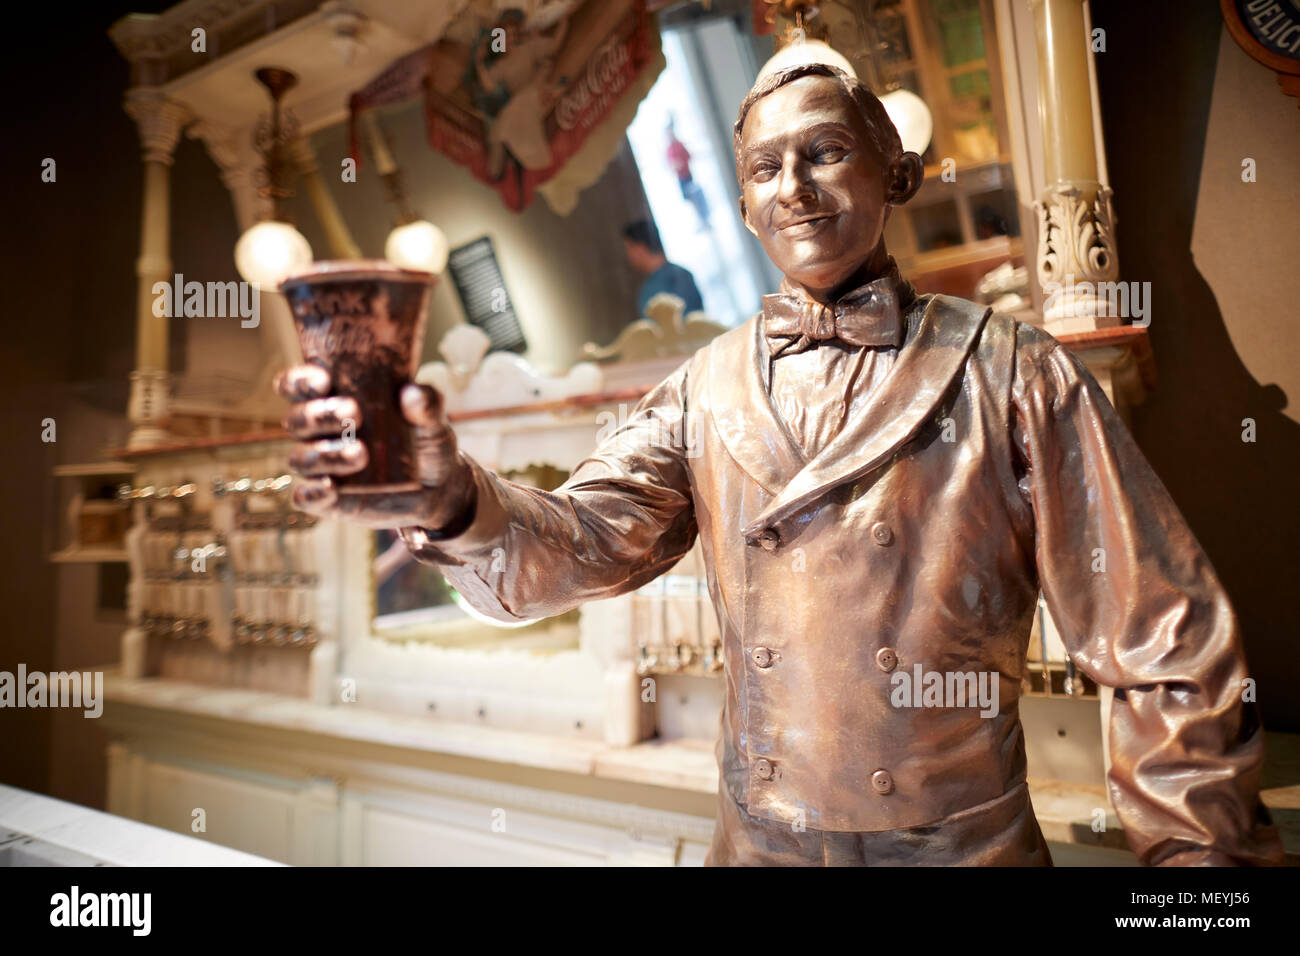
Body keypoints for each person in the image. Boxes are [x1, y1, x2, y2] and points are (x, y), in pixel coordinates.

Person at [277, 63, 1283, 867]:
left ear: (894, 171)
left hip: (959, 849)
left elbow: (1164, 637)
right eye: (764, 167)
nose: (792, 189)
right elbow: (579, 544)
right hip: (753, 845)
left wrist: (1200, 865)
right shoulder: (700, 387)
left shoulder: (1015, 369)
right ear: (746, 202)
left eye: (825, 152)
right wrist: (454, 497)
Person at [621, 219, 705, 317]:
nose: (628, 255)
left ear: (640, 248)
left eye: (628, 248)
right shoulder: (683, 273)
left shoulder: (653, 290)